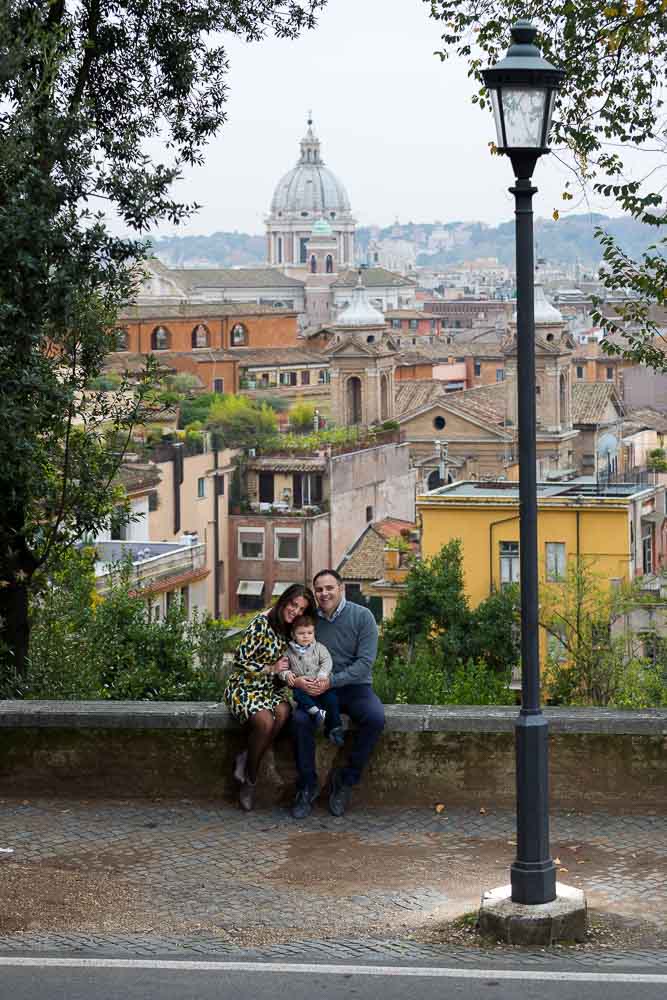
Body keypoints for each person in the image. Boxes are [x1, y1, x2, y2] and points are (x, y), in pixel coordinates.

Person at [291, 569, 385, 820]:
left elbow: (364, 663)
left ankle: (344, 781)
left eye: (329, 588)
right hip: (318, 692)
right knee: (300, 720)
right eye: (319, 589)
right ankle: (307, 785)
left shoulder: (362, 616)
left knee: (375, 718)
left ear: (341, 588)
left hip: (354, 688)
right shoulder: (308, 621)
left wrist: (331, 681)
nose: (324, 593)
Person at [224, 584, 315, 812]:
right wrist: (270, 668)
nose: (295, 611)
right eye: (293, 604)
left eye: (301, 609)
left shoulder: (290, 628)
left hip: (270, 689)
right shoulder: (261, 623)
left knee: (284, 712)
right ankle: (250, 782)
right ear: (284, 600)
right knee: (265, 722)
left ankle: (245, 757)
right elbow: (240, 661)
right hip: (245, 686)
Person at [277, 614, 344, 747]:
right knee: (298, 695)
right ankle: (315, 712)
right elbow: (282, 668)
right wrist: (287, 674)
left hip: (320, 684)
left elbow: (327, 661)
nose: (306, 636)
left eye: (309, 632)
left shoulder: (319, 648)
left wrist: (323, 675)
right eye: (301, 633)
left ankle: (334, 728)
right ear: (293, 634)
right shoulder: (288, 652)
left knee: (332, 700)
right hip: (302, 687)